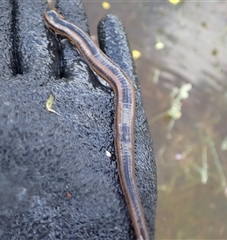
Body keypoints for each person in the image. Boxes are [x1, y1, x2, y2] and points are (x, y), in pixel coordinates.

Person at [0, 0, 157, 239]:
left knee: (127, 166)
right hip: (118, 83)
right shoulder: (64, 30)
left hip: (120, 87)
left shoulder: (63, 29)